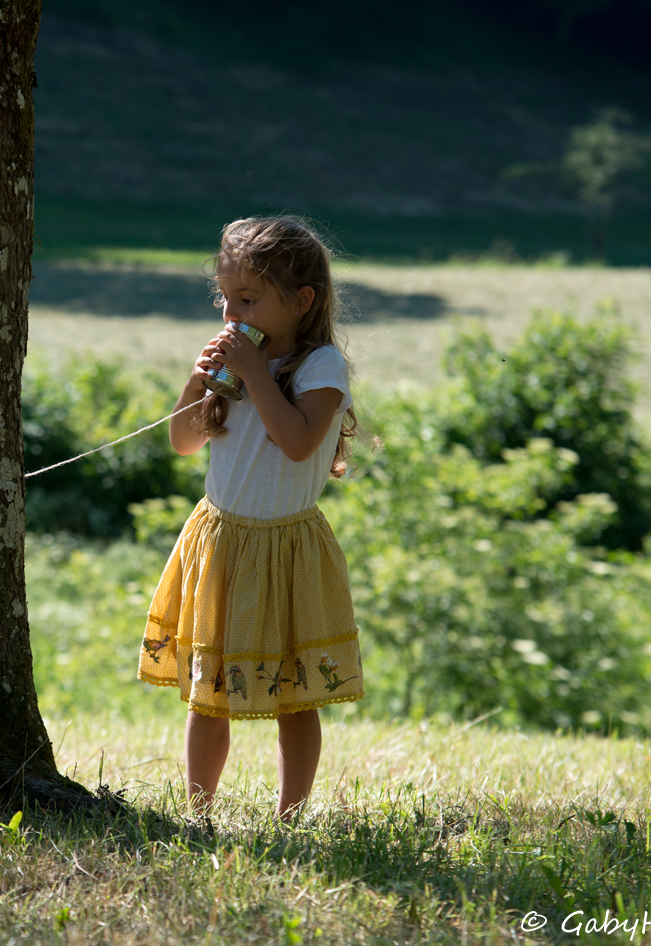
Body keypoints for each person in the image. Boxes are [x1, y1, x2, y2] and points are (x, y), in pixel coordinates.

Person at [138, 216, 362, 821]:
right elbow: (183, 442)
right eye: (227, 299)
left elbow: (296, 442)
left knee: (296, 695)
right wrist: (198, 378)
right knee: (209, 691)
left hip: (288, 548)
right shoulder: (234, 368)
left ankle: (292, 814)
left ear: (302, 301)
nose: (233, 314)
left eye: (249, 299)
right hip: (221, 540)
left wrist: (257, 374)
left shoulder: (320, 371)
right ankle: (199, 809)